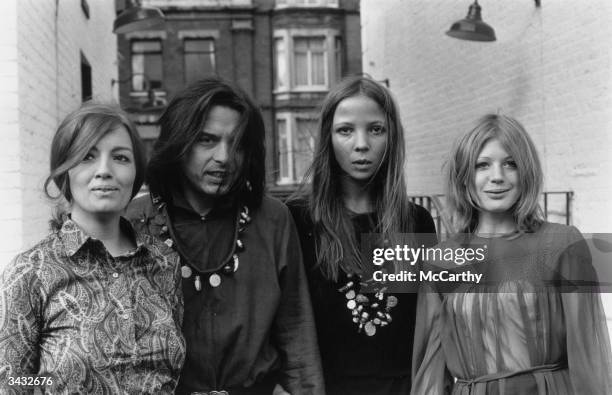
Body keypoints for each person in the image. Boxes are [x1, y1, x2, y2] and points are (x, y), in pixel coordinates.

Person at [126, 77, 324, 395]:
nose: (224, 157)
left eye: (237, 144)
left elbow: (296, 329)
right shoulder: (134, 221)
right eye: (207, 140)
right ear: (180, 142)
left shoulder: (273, 219)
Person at [411, 114, 612, 394]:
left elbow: (587, 354)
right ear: (464, 177)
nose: (497, 177)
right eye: (482, 165)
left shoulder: (561, 243)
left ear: (526, 172)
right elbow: (431, 369)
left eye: (510, 164)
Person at [0, 103, 185, 393]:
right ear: (65, 170)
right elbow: (11, 382)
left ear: (136, 174)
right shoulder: (30, 274)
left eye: (121, 158)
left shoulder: (164, 263)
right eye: (87, 156)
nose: (104, 171)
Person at [288, 75, 438, 394]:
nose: (361, 144)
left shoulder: (416, 222)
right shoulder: (298, 220)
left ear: (391, 136)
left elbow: (427, 324)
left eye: (375, 129)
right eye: (346, 130)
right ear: (327, 137)